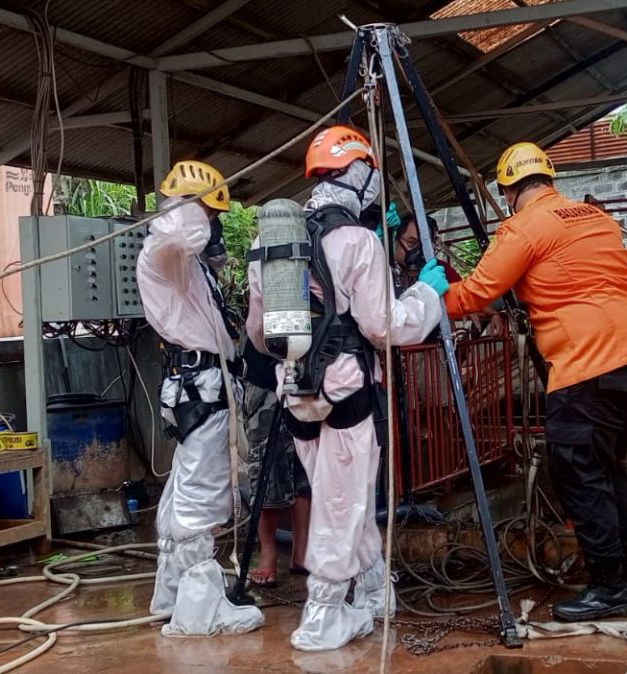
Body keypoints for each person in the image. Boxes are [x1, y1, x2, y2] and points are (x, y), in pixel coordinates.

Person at [246, 125, 448, 651]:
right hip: (347, 393)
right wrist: (428, 293)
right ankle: (322, 616)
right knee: (342, 504)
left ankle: (374, 590)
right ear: (360, 175)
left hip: (296, 393)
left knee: (346, 496)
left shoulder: (271, 243)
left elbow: (256, 331)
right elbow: (387, 327)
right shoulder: (356, 241)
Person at [442, 142, 627, 622]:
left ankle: (609, 588)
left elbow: (479, 291)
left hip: (590, 362)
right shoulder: (592, 217)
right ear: (548, 177)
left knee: (579, 475)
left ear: (507, 191)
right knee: (608, 468)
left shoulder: (523, 227)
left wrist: (437, 295)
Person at [137, 160, 262, 636]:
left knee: (181, 497)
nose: (213, 227)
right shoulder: (164, 252)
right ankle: (199, 612)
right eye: (212, 216)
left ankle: (172, 596)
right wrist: (191, 207)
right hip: (201, 388)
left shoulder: (186, 267)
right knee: (199, 501)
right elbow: (178, 234)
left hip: (205, 386)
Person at [237, 339, 311, 588]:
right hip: (266, 373)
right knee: (269, 465)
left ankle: (302, 553)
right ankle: (268, 554)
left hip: (310, 369)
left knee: (307, 468)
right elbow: (257, 328)